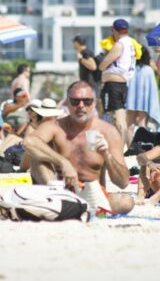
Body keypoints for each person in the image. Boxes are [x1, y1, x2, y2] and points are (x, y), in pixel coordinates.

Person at [23, 81, 133, 214]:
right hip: (58, 191)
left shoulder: (108, 131)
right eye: (75, 101)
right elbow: (29, 142)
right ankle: (61, 201)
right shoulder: (56, 127)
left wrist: (107, 155)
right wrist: (63, 162)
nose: (81, 106)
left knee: (126, 202)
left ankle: (76, 208)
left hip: (91, 196)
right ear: (67, 103)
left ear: (94, 103)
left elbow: (123, 182)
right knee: (37, 157)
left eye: (86, 101)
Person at [98, 19, 136, 145]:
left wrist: (103, 66)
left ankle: (120, 146)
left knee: (117, 117)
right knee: (120, 117)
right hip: (122, 84)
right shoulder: (130, 43)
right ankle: (122, 145)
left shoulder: (119, 44)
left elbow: (103, 64)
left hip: (113, 85)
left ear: (115, 30)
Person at [125, 45, 160, 141]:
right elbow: (152, 89)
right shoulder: (148, 70)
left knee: (129, 125)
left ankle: (130, 147)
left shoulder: (129, 69)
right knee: (142, 124)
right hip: (144, 101)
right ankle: (140, 146)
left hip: (130, 100)